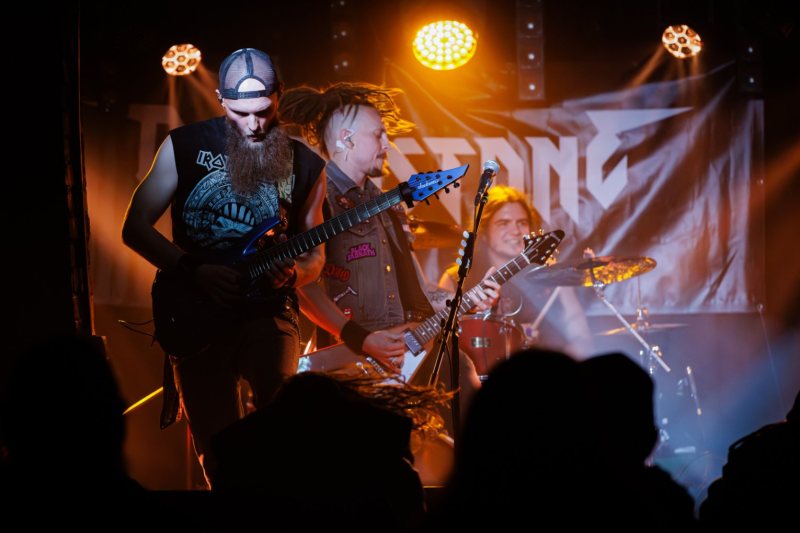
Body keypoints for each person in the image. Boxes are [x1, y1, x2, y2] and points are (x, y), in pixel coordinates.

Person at [121, 48, 326, 485]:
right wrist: (193, 269)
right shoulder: (184, 145)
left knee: (281, 424)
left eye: (263, 111)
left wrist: (295, 273)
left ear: (280, 95)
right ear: (220, 100)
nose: (253, 124)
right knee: (216, 447)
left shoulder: (306, 163)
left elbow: (315, 254)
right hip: (196, 309)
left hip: (268, 310)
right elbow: (135, 227)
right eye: (240, 113)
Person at [278, 82, 499, 411]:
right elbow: (301, 284)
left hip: (410, 349)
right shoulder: (316, 197)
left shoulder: (389, 204)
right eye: (378, 135)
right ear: (346, 138)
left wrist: (467, 298)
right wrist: (360, 338)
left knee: (463, 385)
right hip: (351, 360)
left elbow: (420, 291)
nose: (387, 144)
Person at [438, 185, 594, 364]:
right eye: (503, 223)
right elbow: (441, 345)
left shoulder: (551, 277)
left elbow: (581, 339)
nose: (515, 231)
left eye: (522, 223)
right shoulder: (456, 279)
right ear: (484, 232)